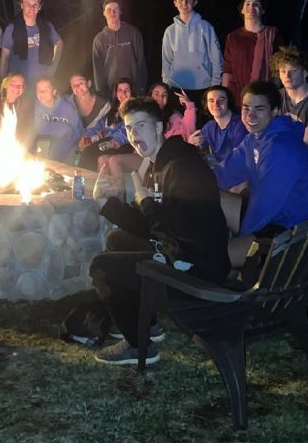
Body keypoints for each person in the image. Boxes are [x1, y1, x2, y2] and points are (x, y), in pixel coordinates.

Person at [90, 96, 230, 367]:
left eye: (141, 126)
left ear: (159, 128)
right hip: (180, 251)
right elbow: (149, 226)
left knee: (102, 267)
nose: (134, 134)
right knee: (116, 240)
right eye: (130, 128)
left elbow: (185, 229)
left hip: (195, 269)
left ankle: (138, 345)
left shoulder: (182, 167)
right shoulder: (159, 164)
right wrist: (105, 203)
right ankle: (148, 325)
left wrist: (146, 205)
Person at [215, 81, 308, 267]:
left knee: (215, 260)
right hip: (273, 217)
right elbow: (223, 174)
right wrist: (187, 186)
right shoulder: (254, 139)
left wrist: (241, 240)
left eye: (259, 109)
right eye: (246, 108)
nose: (250, 115)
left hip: (295, 231)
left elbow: (264, 205)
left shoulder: (280, 147)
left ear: (275, 111)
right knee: (210, 195)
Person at [160, 0, 222, 108]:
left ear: (195, 2)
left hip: (203, 87)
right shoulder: (170, 31)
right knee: (179, 124)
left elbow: (216, 58)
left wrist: (215, 85)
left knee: (201, 125)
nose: (185, 3)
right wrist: (166, 85)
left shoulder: (206, 27)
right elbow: (166, 61)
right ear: (175, 3)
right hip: (177, 87)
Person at [222, 0, 285, 108]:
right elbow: (228, 68)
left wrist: (274, 90)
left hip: (264, 93)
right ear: (242, 10)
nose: (251, 7)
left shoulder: (273, 34)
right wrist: (224, 95)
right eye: (248, 4)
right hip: (238, 95)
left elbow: (280, 66)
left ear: (262, 11)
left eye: (256, 4)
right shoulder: (233, 36)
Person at [0, 0, 63, 88]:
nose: (31, 8)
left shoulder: (46, 26)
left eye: (35, 5)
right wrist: (2, 82)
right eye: (28, 4)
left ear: (40, 7)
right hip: (18, 86)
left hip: (41, 84)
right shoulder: (12, 28)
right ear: (21, 5)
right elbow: (4, 57)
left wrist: (53, 68)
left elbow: (59, 43)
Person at [92, 0, 147, 95]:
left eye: (115, 9)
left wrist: (141, 89)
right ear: (104, 13)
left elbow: (141, 63)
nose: (112, 13)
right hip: (112, 92)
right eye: (109, 10)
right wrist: (102, 94)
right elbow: (98, 70)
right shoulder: (99, 39)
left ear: (120, 12)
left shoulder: (133, 33)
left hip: (133, 90)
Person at [187, 85, 248, 173]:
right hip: (220, 172)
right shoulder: (210, 127)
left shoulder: (239, 126)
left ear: (229, 102)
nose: (216, 104)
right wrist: (191, 144)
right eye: (211, 101)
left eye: (221, 99)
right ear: (206, 105)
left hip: (238, 175)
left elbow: (238, 161)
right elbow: (200, 151)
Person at [77, 77, 134, 171]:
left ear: (132, 93)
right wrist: (87, 137)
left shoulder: (134, 111)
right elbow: (99, 126)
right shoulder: (114, 111)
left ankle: (85, 179)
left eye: (127, 90)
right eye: (120, 90)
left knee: (90, 151)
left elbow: (126, 131)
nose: (123, 94)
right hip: (106, 142)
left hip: (122, 143)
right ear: (116, 94)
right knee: (86, 147)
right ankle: (83, 178)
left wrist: (112, 141)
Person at [32, 77, 84, 163]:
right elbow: (39, 128)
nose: (42, 93)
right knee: (42, 142)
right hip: (46, 151)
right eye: (39, 90)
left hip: (69, 149)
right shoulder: (35, 107)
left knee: (79, 152)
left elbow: (78, 129)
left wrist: (80, 141)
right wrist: (65, 129)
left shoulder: (67, 107)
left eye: (46, 89)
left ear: (54, 91)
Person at [0, 72, 35, 148]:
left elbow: (26, 129)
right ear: (6, 85)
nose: (16, 88)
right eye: (13, 84)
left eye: (20, 85)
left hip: (19, 146)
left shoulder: (26, 104)